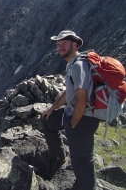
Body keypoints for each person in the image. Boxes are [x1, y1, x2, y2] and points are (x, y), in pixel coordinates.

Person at [41, 30, 99, 190]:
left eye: (64, 43)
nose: (60, 46)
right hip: (72, 113)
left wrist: (73, 124)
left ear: (75, 44)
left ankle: (86, 187)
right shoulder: (73, 63)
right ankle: (59, 157)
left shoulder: (79, 65)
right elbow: (69, 92)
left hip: (83, 118)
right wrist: (52, 108)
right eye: (58, 44)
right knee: (47, 120)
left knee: (83, 161)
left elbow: (82, 98)